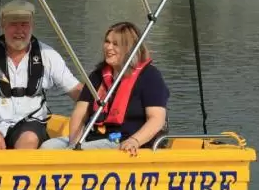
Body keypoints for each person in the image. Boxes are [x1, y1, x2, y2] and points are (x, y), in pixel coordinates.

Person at [0, 0, 83, 150]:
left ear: (32, 26)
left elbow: (75, 90)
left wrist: (100, 106)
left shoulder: (48, 56)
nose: (19, 31)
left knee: (28, 142)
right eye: (13, 24)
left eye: (24, 24)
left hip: (29, 123)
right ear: (3, 25)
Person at [41, 21, 169, 155]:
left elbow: (157, 118)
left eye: (115, 44)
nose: (108, 47)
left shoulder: (149, 76)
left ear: (129, 49)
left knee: (76, 152)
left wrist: (134, 140)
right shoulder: (97, 76)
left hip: (126, 142)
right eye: (107, 42)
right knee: (47, 146)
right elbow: (80, 113)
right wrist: (74, 142)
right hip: (96, 137)